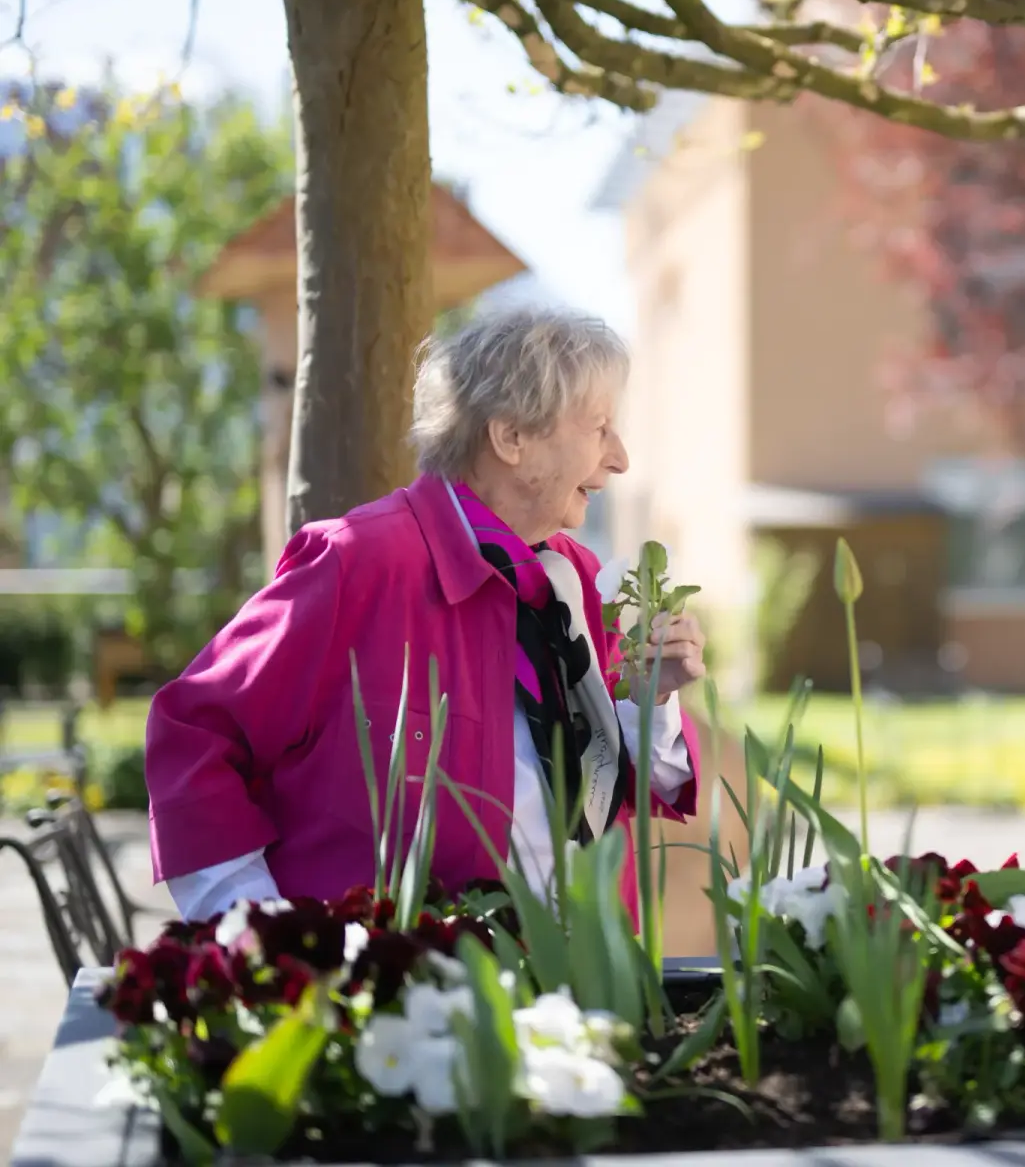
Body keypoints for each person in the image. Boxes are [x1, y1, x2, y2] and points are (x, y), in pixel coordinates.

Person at [146, 308, 704, 921]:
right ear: (511, 436)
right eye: (599, 428)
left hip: (581, 982)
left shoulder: (578, 581)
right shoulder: (357, 563)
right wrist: (259, 927)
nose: (619, 459)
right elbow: (194, 734)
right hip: (399, 992)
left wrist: (655, 700)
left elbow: (640, 777)